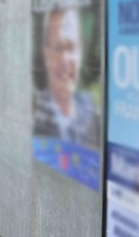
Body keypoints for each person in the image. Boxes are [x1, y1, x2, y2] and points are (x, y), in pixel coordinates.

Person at [33, 8, 99, 149]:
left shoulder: (89, 106)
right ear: (46, 55)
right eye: (57, 48)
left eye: (70, 47)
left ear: (80, 54)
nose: (64, 59)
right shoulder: (35, 113)